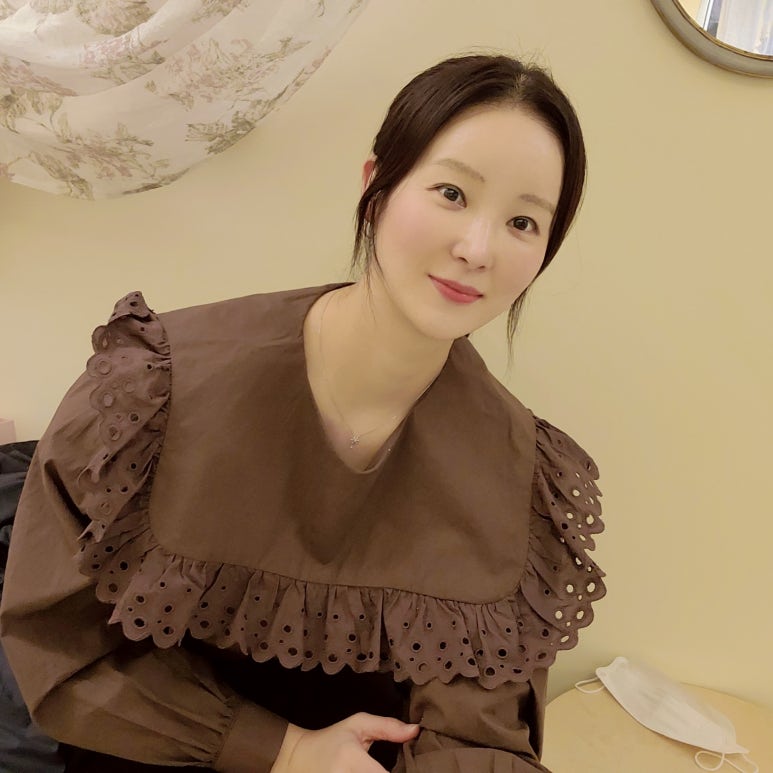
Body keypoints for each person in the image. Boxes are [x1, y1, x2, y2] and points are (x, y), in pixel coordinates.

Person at [0, 54, 605, 772]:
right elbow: (63, 651)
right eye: (451, 192)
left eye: (522, 222)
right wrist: (281, 750)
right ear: (376, 187)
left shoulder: (516, 474)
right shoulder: (156, 387)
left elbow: (475, 737)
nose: (477, 248)